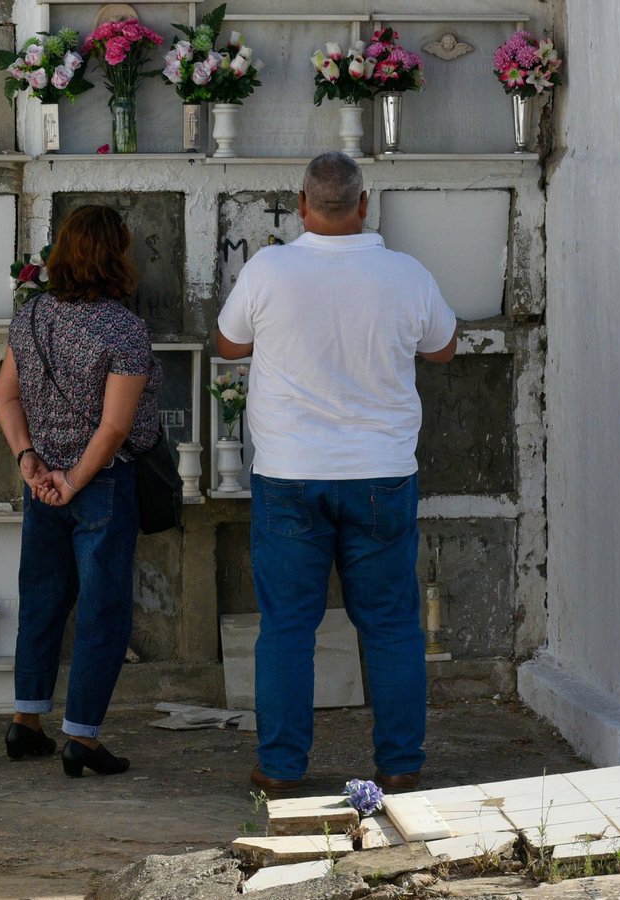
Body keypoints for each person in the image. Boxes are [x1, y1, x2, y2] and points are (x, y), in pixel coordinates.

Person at [216, 152, 458, 794]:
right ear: (363, 204)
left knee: (287, 627)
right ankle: (400, 765)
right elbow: (443, 348)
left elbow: (229, 344)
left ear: (302, 205)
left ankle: (281, 770)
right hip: (381, 474)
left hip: (290, 474)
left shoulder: (267, 269)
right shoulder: (405, 273)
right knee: (391, 625)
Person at [0, 205, 164, 778]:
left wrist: (30, 461)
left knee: (42, 601)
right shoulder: (124, 329)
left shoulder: (31, 316)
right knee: (101, 610)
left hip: (41, 485)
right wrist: (71, 480)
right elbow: (114, 427)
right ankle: (82, 739)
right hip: (99, 484)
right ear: (116, 257)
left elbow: (4, 395)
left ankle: (25, 722)